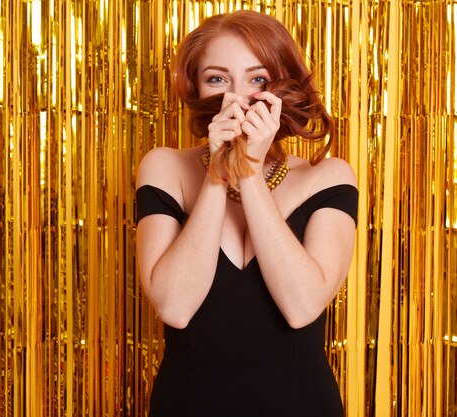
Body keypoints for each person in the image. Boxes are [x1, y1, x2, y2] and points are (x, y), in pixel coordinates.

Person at [135, 10, 358, 417]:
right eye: (217, 79)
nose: (238, 99)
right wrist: (219, 174)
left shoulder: (328, 176)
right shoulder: (165, 167)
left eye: (258, 79)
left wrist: (250, 173)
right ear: (196, 89)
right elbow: (175, 306)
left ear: (282, 86)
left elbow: (302, 305)